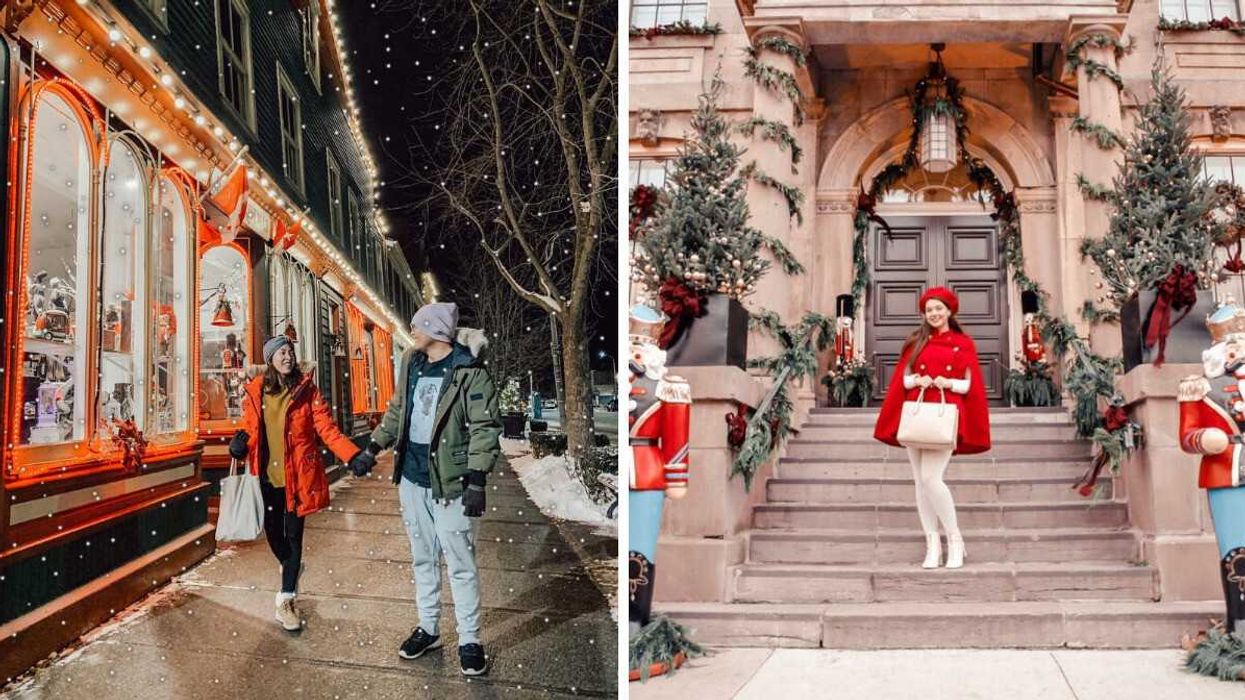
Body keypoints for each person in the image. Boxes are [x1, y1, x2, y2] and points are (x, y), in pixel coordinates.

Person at [347, 302, 500, 677]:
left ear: (436, 330)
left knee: (460, 564)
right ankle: (429, 628)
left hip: (451, 483)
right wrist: (372, 448)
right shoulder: (412, 365)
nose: (413, 331)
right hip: (413, 479)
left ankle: (470, 640)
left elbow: (485, 428)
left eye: (418, 326)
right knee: (423, 558)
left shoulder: (469, 373)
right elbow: (398, 411)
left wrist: (477, 479)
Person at [228, 335, 367, 631]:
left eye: (290, 351)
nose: (287, 356)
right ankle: (291, 566)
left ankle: (286, 599)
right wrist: (239, 446)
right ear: (270, 360)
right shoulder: (256, 392)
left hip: (298, 478)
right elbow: (249, 430)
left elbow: (327, 429)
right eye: (281, 352)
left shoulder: (307, 391)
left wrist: (351, 455)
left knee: (293, 538)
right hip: (266, 478)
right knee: (273, 533)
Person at [873, 287, 991, 569]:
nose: (934, 314)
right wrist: (919, 380)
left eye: (939, 309)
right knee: (919, 481)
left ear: (949, 310)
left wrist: (946, 382)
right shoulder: (916, 342)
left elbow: (968, 385)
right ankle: (932, 544)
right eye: (929, 310)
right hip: (917, 411)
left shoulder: (963, 344)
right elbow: (903, 380)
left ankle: (955, 539)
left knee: (930, 479)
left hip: (945, 413)